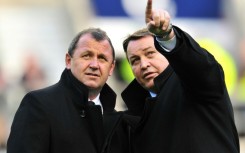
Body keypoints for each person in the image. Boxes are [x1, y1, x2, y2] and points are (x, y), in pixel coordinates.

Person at [121, 0, 240, 152]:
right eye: (135, 60)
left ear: (166, 53)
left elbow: (197, 66)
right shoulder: (134, 117)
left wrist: (166, 36)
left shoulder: (193, 85)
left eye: (150, 53)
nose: (143, 64)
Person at [7, 28, 128, 153]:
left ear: (111, 68)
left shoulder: (119, 122)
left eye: (102, 58)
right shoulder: (38, 104)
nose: (94, 65)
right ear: (68, 61)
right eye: (87, 56)